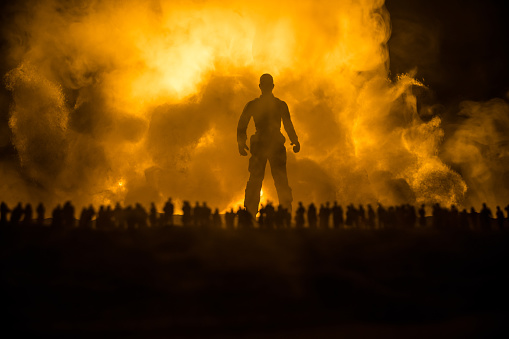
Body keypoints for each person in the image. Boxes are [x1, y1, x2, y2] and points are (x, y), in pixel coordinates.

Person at [237, 74, 300, 217]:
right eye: (265, 85)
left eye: (266, 85)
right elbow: (242, 125)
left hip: (265, 144)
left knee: (270, 179)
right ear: (270, 86)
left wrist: (295, 140)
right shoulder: (278, 105)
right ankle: (278, 212)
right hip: (270, 144)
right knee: (271, 179)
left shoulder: (257, 105)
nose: (265, 87)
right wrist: (294, 140)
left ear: (266, 86)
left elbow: (242, 125)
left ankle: (257, 212)